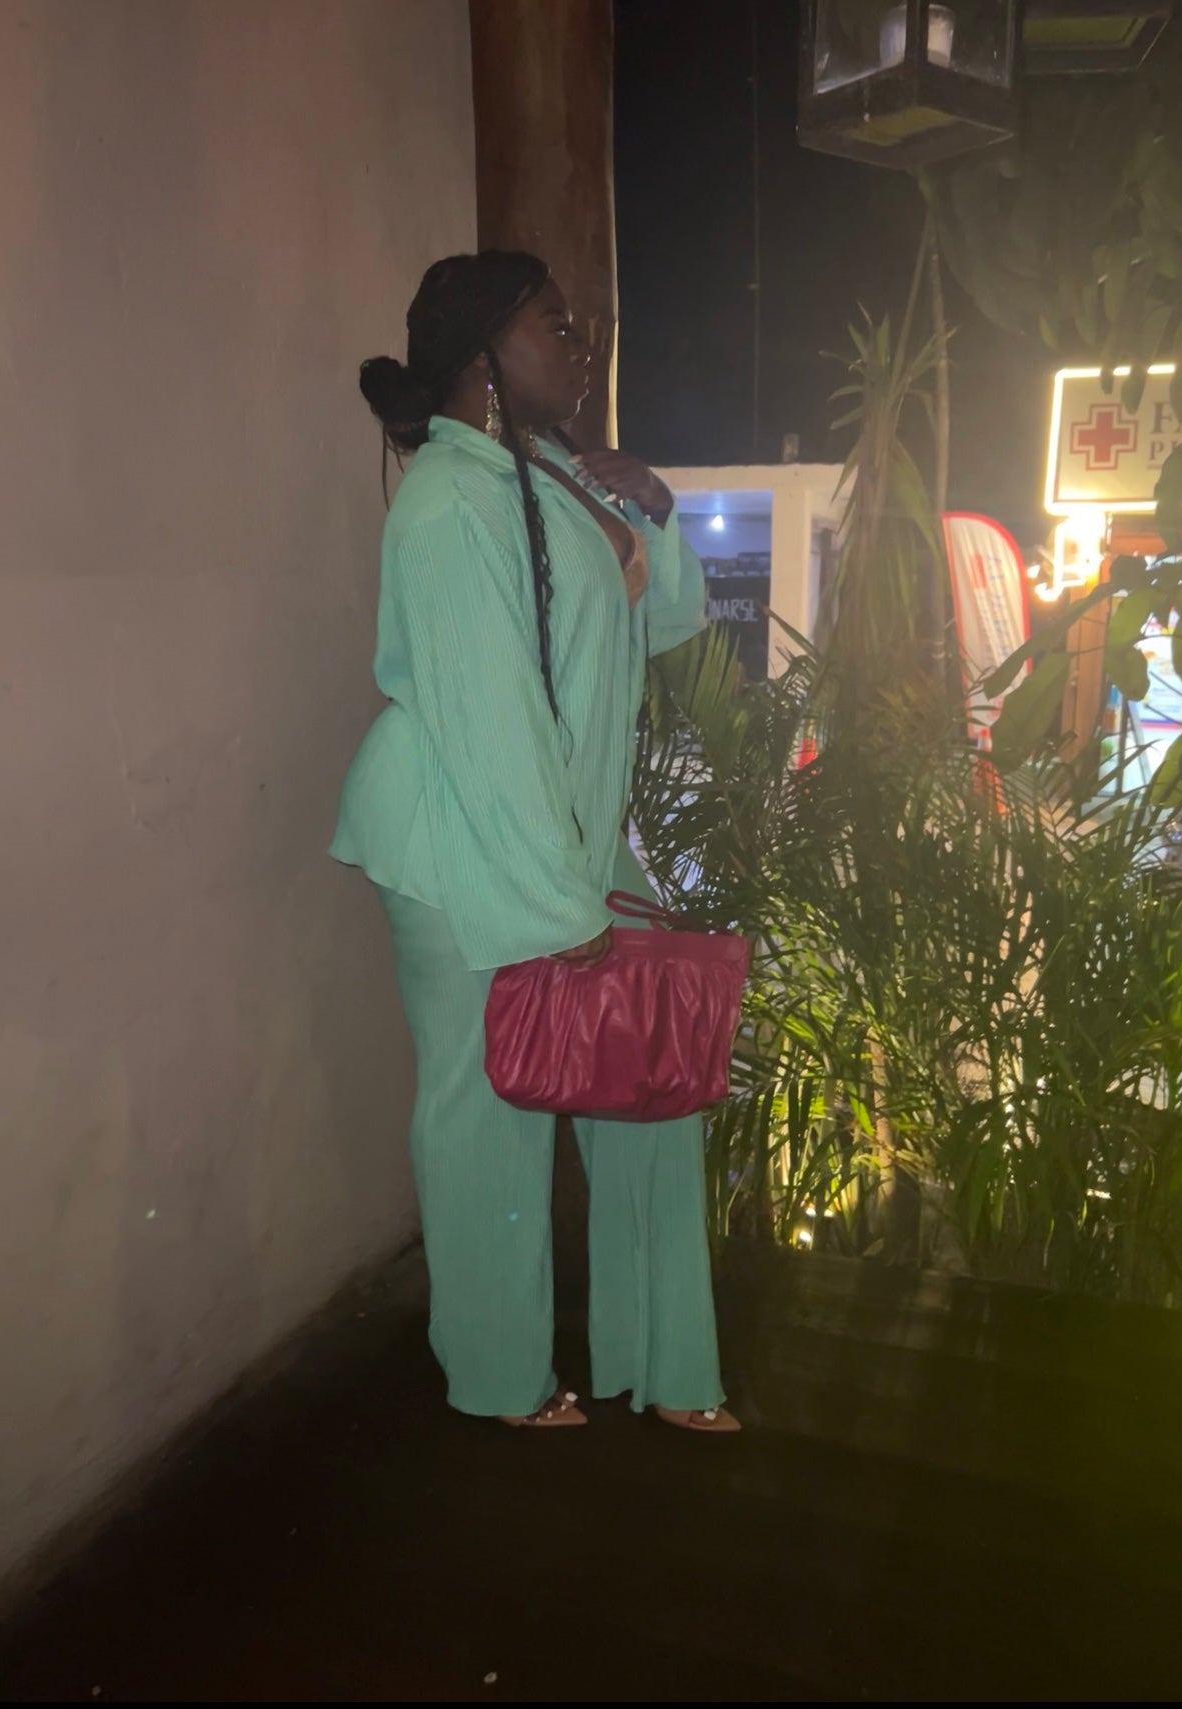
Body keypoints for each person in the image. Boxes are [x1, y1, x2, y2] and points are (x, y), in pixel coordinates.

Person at [331, 251, 738, 1432]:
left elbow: (658, 622)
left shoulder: (554, 471)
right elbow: (486, 719)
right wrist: (557, 906)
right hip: (458, 834)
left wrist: (648, 507)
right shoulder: (448, 502)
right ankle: (499, 1373)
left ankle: (666, 1361)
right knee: (491, 1109)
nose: (580, 342)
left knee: (651, 1083)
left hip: (560, 823)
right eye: (553, 325)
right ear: (482, 359)